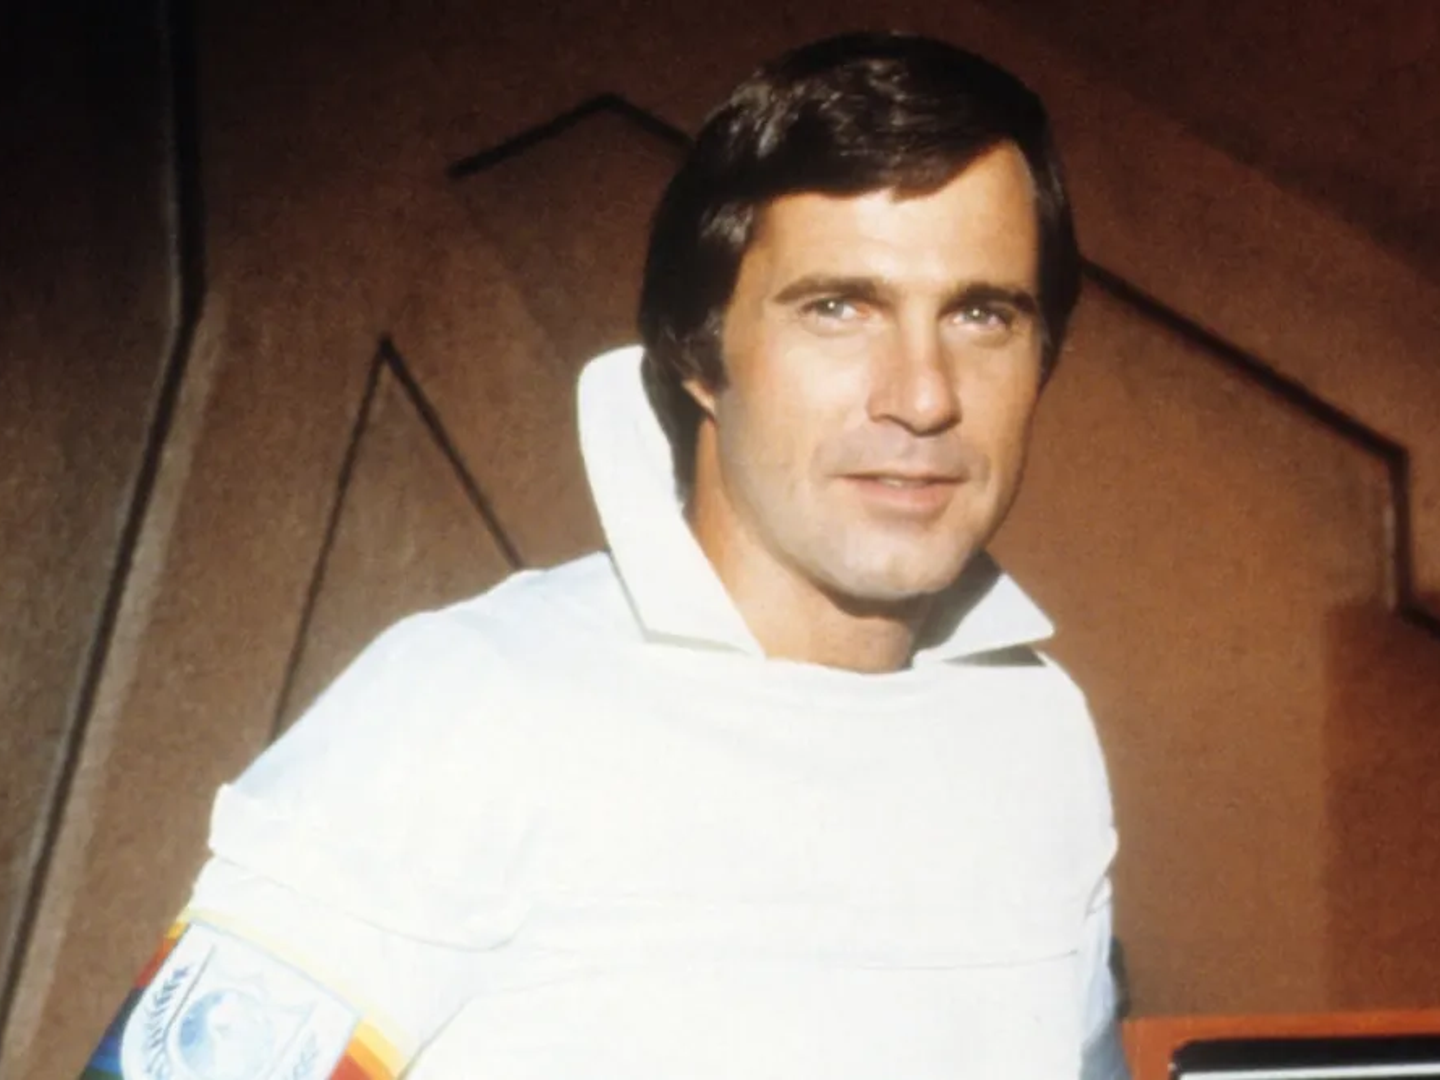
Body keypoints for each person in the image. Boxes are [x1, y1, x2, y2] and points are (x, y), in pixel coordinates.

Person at [81, 30, 1127, 1080]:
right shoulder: (467, 706)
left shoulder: (1040, 730)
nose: (923, 395)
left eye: (982, 314)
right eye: (838, 309)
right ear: (696, 351)